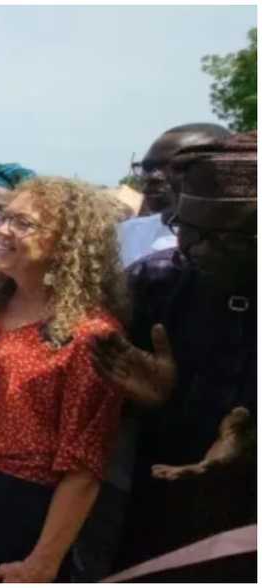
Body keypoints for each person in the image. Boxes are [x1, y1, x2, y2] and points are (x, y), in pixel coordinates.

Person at [0, 176, 128, 582]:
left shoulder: (88, 335)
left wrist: (43, 560)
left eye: (24, 224)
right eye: (6, 217)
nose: (1, 229)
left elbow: (84, 467)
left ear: (67, 244)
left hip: (21, 508)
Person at [98, 131, 256, 580]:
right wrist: (147, 400)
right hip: (156, 503)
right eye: (187, 229)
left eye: (230, 236)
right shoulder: (152, 282)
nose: (196, 248)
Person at [116, 123, 230, 268]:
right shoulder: (121, 236)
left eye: (173, 166)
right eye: (147, 167)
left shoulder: (245, 242)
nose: (152, 177)